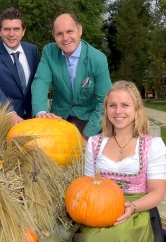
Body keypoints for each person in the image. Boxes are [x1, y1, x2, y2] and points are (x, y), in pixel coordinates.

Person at [75, 80, 166, 242]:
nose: (118, 111)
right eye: (112, 105)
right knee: (90, 240)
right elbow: (87, 186)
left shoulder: (152, 145)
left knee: (120, 238)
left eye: (125, 105)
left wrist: (133, 207)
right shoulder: (94, 143)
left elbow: (158, 192)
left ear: (136, 109)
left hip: (138, 209)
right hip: (99, 209)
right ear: (106, 109)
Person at [31, 13, 112, 145]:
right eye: (59, 34)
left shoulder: (98, 59)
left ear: (79, 30)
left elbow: (104, 101)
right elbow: (40, 81)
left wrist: (87, 136)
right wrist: (41, 112)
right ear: (54, 36)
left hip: (89, 119)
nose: (65, 38)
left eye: (69, 31)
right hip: (59, 117)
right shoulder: (49, 52)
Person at [0, 7, 39, 140]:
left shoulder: (32, 51)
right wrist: (10, 113)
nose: (11, 34)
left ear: (23, 31)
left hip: (27, 124)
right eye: (6, 29)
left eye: (16, 29)